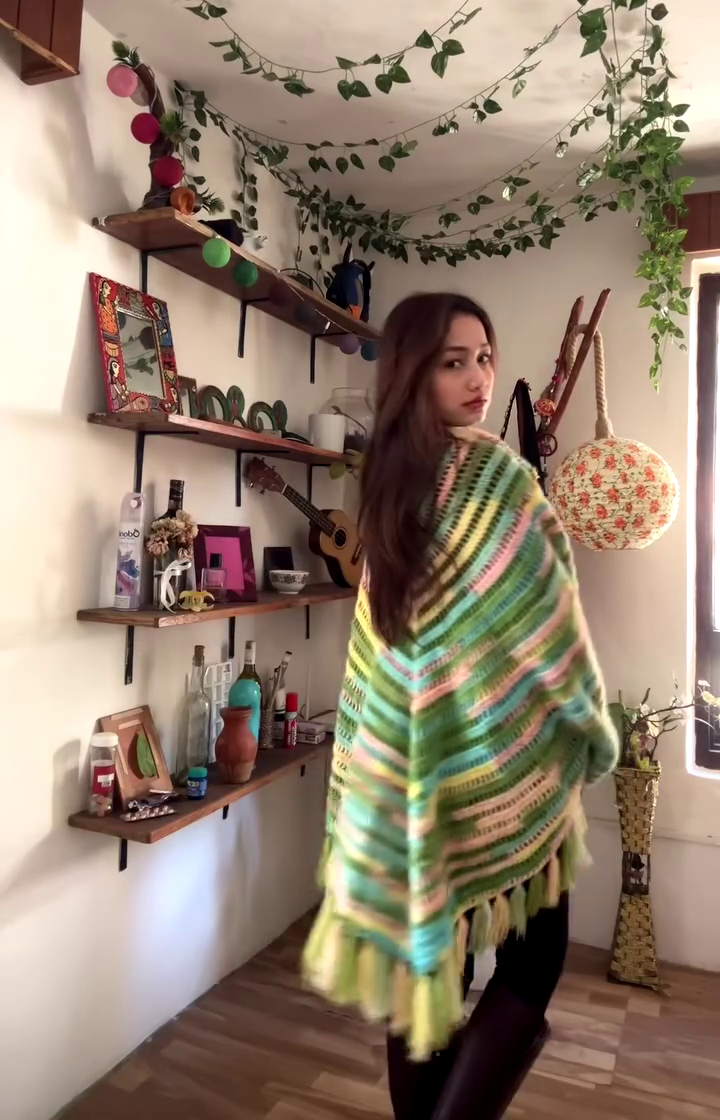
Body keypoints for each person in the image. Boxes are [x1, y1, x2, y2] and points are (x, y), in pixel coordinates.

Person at [303, 292, 618, 1120]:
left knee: (432, 975)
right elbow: (550, 627)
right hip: (498, 773)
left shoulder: (389, 483)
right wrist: (585, 724)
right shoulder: (497, 480)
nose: (480, 379)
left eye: (484, 357)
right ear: (413, 374)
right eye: (454, 362)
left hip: (417, 781)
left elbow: (394, 655)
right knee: (534, 964)